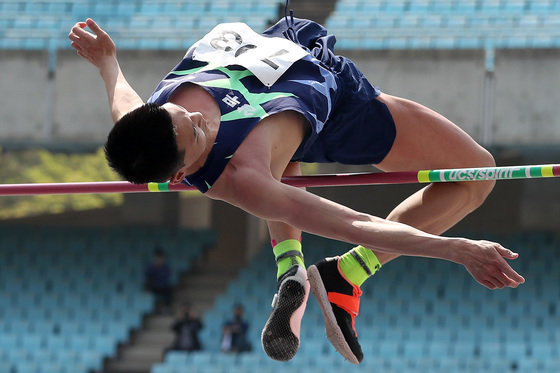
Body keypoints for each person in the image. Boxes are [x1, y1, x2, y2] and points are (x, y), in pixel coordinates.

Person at [68, 11, 525, 365]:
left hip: (292, 54)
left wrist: (108, 61)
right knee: (477, 172)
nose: (196, 117)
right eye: (197, 133)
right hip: (338, 110)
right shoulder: (243, 181)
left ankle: (303, 271)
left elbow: (123, 101)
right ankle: (343, 273)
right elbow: (354, 222)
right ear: (178, 174)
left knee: (276, 158)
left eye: (179, 113)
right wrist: (457, 249)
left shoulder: (145, 126)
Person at [144, 248, 172, 314]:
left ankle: (166, 308)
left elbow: (166, 278)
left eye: (161, 258)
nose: (159, 260)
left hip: (163, 287)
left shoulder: (166, 268)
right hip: (153, 287)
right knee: (148, 290)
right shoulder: (151, 268)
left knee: (169, 291)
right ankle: (151, 309)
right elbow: (148, 278)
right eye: (157, 258)